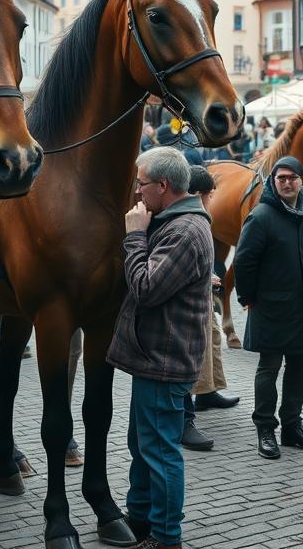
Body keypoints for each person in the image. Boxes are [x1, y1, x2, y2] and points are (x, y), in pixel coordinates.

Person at [108, 148, 213, 549]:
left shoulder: (184, 229)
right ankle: (140, 519)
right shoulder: (174, 221)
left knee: (160, 452)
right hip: (155, 356)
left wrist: (134, 236)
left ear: (163, 186)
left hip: (165, 359)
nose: (136, 190)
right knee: (143, 444)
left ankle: (167, 537)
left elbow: (147, 288)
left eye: (141, 183)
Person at [234, 155, 303, 460]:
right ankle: (265, 428)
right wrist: (247, 298)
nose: (287, 183)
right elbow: (243, 262)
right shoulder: (261, 216)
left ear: (302, 180)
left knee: (298, 366)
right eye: (281, 178)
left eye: (293, 177)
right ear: (273, 182)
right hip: (271, 307)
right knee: (269, 368)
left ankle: (292, 426)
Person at [180, 166, 240, 453]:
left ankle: (208, 392)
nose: (209, 200)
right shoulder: (187, 219)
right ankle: (186, 416)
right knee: (194, 351)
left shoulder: (199, 216)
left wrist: (209, 275)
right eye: (207, 195)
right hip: (188, 299)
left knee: (213, 339)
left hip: (202, 290)